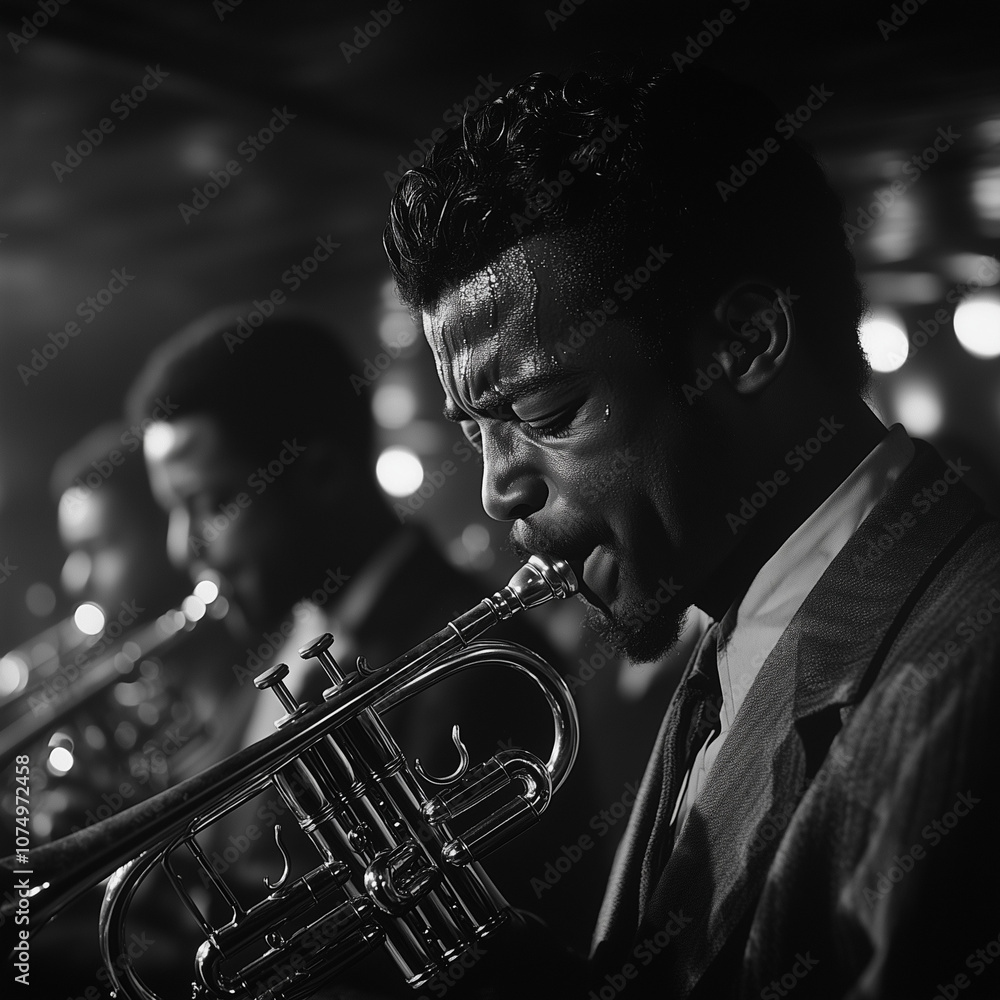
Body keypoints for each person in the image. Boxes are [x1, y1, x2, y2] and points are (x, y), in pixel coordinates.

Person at [384, 57, 1000, 997]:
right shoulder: (727, 627)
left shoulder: (968, 675)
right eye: (477, 433)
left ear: (746, 344)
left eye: (548, 413)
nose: (496, 491)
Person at [122, 308, 606, 993]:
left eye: (211, 503)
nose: (184, 547)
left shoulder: (479, 668)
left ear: (319, 473)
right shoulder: (281, 645)